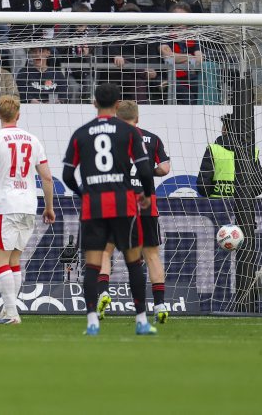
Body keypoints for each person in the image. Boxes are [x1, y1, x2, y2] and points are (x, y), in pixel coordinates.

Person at [62, 83, 157, 336]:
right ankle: (141, 320)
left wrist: (84, 193)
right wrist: (147, 195)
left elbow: (67, 175)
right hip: (123, 204)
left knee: (93, 265)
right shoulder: (129, 132)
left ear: (94, 103)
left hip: (93, 206)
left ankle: (92, 322)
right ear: (117, 105)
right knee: (134, 263)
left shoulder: (81, 133)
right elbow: (145, 170)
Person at [0, 95, 54, 325]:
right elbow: (47, 178)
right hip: (28, 206)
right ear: (18, 115)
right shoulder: (33, 140)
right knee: (14, 260)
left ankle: (12, 314)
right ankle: (7, 311)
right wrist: (49, 207)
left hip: (5, 206)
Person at [96, 100, 171, 324]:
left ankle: (103, 293)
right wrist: (147, 172)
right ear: (137, 118)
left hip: (117, 201)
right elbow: (165, 168)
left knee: (105, 251)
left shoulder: (106, 138)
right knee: (152, 255)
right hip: (146, 202)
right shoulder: (152, 138)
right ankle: (160, 305)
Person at [197, 113, 262, 313]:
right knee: (244, 259)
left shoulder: (214, 149)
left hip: (216, 212)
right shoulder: (251, 151)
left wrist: (219, 193)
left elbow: (202, 185)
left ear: (226, 129)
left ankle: (215, 301)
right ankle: (245, 298)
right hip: (243, 211)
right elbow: (260, 184)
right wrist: (241, 193)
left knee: (215, 263)